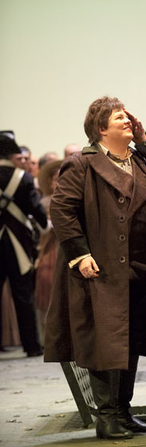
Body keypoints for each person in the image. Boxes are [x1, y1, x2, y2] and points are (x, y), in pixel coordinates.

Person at [44, 96, 146, 440]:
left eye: (129, 117)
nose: (128, 121)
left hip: (140, 268)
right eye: (119, 118)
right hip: (102, 270)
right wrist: (79, 254)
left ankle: (123, 411)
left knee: (129, 343)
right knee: (107, 344)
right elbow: (61, 211)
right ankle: (106, 417)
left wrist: (144, 138)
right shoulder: (82, 164)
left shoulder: (141, 160)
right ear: (100, 128)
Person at [0, 131, 48, 357]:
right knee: (23, 295)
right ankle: (31, 346)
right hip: (18, 244)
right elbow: (36, 211)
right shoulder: (23, 178)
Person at [34, 159, 62, 345]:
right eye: (56, 179)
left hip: (63, 248)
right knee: (48, 293)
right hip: (51, 251)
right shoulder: (45, 202)